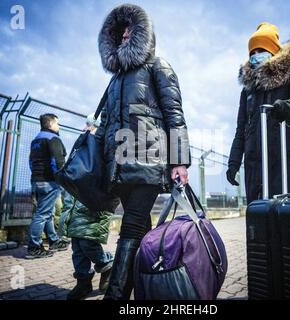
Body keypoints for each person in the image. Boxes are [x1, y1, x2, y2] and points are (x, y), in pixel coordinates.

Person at [96, 4, 191, 300]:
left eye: (129, 32)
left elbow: (174, 113)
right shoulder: (114, 81)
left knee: (132, 224)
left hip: (149, 159)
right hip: (120, 165)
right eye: (120, 33)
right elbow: (106, 125)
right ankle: (145, 289)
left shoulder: (157, 66)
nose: (124, 37)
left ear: (141, 35)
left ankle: (116, 295)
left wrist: (180, 160)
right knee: (140, 229)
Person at [227, 22, 290, 203]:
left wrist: (288, 106)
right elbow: (241, 129)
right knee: (258, 216)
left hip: (286, 158)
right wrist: (234, 162)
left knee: (285, 215)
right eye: (253, 52)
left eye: (261, 50)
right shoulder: (248, 90)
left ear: (273, 52)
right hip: (255, 164)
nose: (256, 55)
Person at [59, 113, 114, 300]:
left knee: (87, 243)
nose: (85, 128)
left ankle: (107, 264)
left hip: (94, 204)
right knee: (77, 247)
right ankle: (82, 282)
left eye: (89, 125)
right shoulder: (84, 146)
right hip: (76, 204)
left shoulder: (105, 146)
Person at [26, 113, 69, 259]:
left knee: (47, 212)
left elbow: (31, 162)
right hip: (49, 181)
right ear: (50, 124)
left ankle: (53, 240)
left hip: (36, 180)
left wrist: (37, 176)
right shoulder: (53, 138)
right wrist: (61, 179)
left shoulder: (35, 140)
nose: (59, 126)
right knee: (42, 214)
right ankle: (34, 247)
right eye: (57, 123)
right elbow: (57, 162)